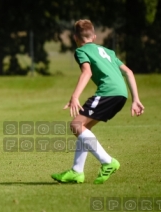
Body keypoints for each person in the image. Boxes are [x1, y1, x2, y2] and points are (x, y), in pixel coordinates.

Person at [51, 19, 144, 184]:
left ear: (75, 38)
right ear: (94, 36)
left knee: (76, 125)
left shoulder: (81, 51)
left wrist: (74, 96)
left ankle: (107, 162)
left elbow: (86, 73)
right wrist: (135, 99)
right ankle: (76, 171)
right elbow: (129, 72)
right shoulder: (108, 52)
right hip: (121, 94)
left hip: (108, 92)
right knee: (83, 128)